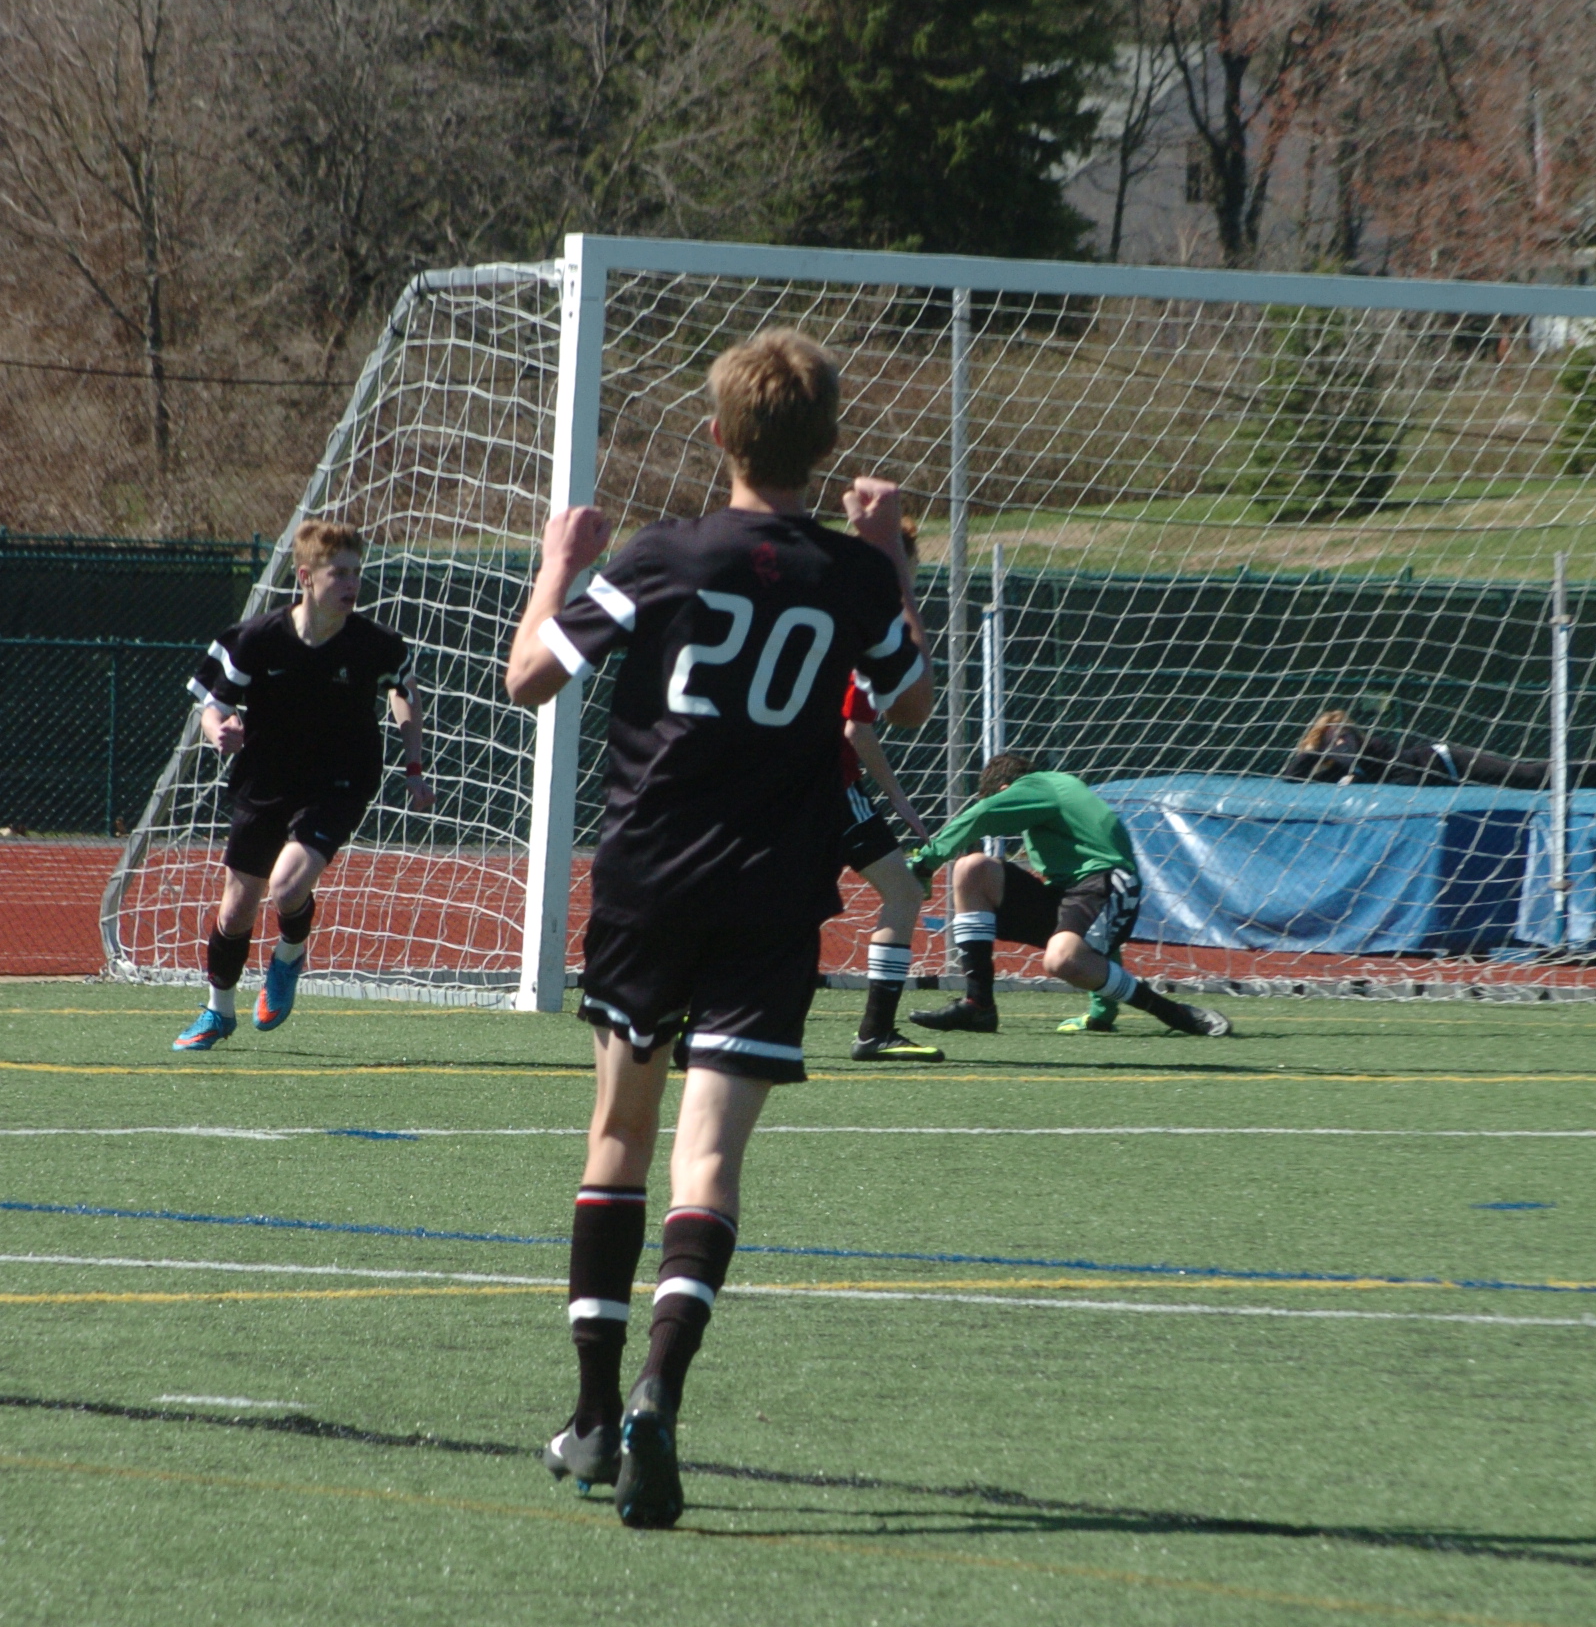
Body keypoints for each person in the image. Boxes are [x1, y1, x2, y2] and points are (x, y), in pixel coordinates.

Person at [503, 327, 929, 1531]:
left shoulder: (662, 555)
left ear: (716, 435)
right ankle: (660, 1392)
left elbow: (529, 678)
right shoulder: (848, 576)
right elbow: (908, 699)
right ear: (827, 445)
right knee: (710, 1165)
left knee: (617, 1139)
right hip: (772, 894)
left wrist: (556, 565)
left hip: (650, 884)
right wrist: (891, 559)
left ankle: (592, 1417)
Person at [173, 519, 433, 1051]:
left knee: (288, 886)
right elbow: (214, 705)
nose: (351, 584)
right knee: (235, 910)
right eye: (339, 573)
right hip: (265, 777)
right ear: (306, 576)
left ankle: (289, 954)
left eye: (356, 573)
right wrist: (218, 731)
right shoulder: (258, 638)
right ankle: (218, 1011)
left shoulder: (375, 644)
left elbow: (403, 692)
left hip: (340, 780)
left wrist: (414, 765)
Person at [906, 752, 1231, 1039]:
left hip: (1107, 884)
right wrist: (1102, 1014)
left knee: (1061, 960)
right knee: (971, 869)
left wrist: (925, 863)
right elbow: (1093, 939)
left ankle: (1171, 1012)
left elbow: (982, 814)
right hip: (1071, 895)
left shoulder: (1042, 785)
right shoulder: (1057, 811)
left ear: (1007, 790)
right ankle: (978, 1005)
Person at [840, 517, 941, 1061]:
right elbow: (856, 729)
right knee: (903, 891)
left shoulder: (821, 603)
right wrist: (899, 799)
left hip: (772, 776)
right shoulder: (870, 622)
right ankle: (875, 1030)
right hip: (828, 785)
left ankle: (688, 1010)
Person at [1282, 707, 1596, 789]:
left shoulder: (1361, 745)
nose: (1343, 737)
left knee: (1528, 776)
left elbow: (1355, 754)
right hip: (1443, 786)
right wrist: (1313, 751)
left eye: (1344, 732)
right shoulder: (1331, 769)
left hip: (1449, 762)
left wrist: (1351, 766)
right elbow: (1290, 778)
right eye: (1334, 736)